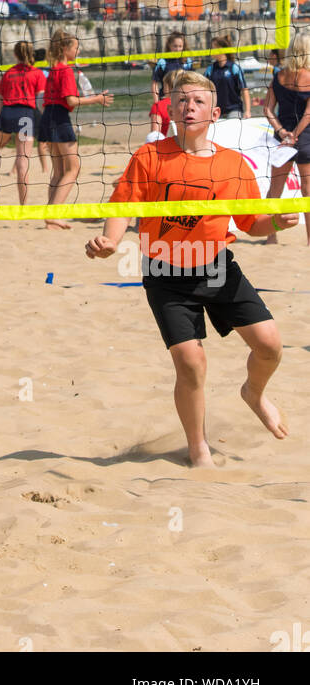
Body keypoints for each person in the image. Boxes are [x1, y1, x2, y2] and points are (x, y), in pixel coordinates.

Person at [86, 71, 295, 467]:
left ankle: (253, 392)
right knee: (191, 362)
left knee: (269, 346)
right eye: (180, 100)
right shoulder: (149, 157)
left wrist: (277, 223)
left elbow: (252, 223)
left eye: (197, 101)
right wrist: (111, 241)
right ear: (170, 109)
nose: (188, 107)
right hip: (165, 272)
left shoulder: (232, 165)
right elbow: (123, 207)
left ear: (214, 112)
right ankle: (198, 449)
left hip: (216, 266)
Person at [40, 31, 113, 230]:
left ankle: (50, 217)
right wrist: (97, 99)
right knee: (73, 169)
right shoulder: (64, 70)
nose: (78, 50)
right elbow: (71, 101)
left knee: (59, 171)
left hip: (48, 116)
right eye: (76, 47)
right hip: (59, 118)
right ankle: (54, 214)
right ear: (65, 48)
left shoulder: (53, 69)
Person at [263, 32, 310, 246]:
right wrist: (295, 135)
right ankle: (309, 240)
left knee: (275, 189)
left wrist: (283, 132)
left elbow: (267, 109)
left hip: (281, 138)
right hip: (305, 137)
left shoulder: (278, 75)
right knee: (307, 190)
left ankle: (270, 236)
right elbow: (308, 114)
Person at [0, 42, 46, 205]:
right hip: (26, 115)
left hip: (7, 113)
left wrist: (6, 127)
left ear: (15, 54)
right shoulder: (37, 73)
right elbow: (41, 101)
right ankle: (23, 205)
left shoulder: (8, 73)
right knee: (22, 161)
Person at [204, 35, 250, 120]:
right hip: (216, 110)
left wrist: (248, 111)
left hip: (234, 109)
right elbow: (203, 91)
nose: (210, 50)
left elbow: (244, 89)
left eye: (213, 48)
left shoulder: (234, 68)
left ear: (221, 49)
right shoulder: (210, 70)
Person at [151, 32, 194, 102]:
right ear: (169, 46)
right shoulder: (162, 62)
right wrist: (156, 103)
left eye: (180, 46)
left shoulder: (188, 61)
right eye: (175, 46)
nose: (177, 49)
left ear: (183, 47)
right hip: (166, 99)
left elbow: (192, 82)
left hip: (184, 99)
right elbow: (154, 83)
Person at [148, 70, 178, 138]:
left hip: (165, 145)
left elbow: (155, 135)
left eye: (163, 85)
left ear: (167, 87)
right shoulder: (189, 104)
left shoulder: (158, 106)